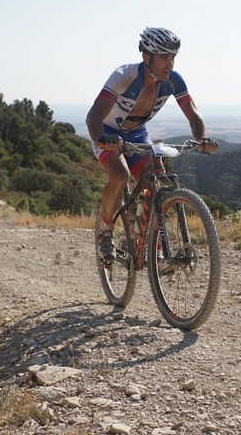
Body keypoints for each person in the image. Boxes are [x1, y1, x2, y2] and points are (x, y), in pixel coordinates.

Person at [86, 26, 218, 261]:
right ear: (146, 57)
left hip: (137, 133)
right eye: (163, 58)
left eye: (173, 57)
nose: (170, 64)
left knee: (154, 180)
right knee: (120, 176)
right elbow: (94, 116)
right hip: (108, 131)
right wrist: (102, 139)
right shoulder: (124, 76)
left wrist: (202, 139)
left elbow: (194, 116)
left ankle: (150, 240)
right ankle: (105, 232)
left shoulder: (173, 81)